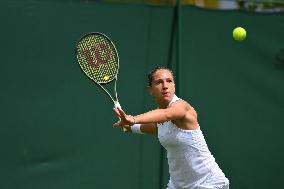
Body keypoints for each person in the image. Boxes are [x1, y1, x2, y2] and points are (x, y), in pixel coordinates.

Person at [113, 66, 230, 189]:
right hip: (178, 185)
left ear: (174, 85)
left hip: (208, 182)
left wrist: (133, 119)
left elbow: (166, 114)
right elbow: (149, 127)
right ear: (150, 90)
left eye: (169, 81)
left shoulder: (181, 106)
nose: (165, 86)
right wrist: (128, 126)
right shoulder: (159, 119)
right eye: (159, 82)